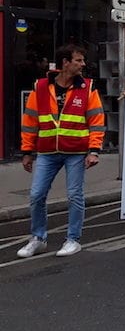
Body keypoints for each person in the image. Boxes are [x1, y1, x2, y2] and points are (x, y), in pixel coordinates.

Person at [17, 44, 105, 259]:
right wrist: (27, 151)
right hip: (47, 152)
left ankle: (73, 239)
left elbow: (96, 121)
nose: (83, 64)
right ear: (66, 63)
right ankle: (38, 238)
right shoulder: (40, 87)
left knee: (74, 195)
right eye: (78, 60)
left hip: (76, 151)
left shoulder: (88, 87)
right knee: (37, 195)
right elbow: (29, 122)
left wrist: (94, 150)